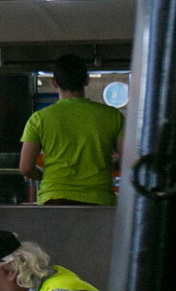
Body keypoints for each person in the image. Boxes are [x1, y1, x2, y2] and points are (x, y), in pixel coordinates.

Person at [20, 55, 123, 206]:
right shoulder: (113, 116)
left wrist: (44, 176)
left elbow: (26, 168)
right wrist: (108, 163)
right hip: (99, 200)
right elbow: (128, 160)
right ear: (87, 80)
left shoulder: (39, 119)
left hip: (54, 199)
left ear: (54, 82)